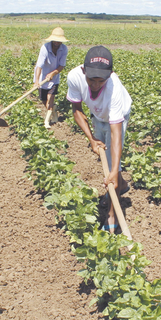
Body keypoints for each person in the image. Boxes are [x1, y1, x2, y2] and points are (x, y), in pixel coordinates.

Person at [66, 46, 132, 233]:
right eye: (91, 79)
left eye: (100, 81)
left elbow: (116, 134)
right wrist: (92, 139)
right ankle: (123, 185)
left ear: (110, 75)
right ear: (83, 71)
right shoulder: (74, 77)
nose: (95, 85)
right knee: (112, 168)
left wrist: (113, 170)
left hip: (117, 118)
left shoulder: (114, 89)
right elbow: (77, 110)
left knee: (113, 166)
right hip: (98, 116)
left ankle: (112, 216)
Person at [33, 27, 68, 128]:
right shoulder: (45, 48)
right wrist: (36, 81)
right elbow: (39, 66)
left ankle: (46, 122)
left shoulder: (64, 49)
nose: (57, 42)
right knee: (44, 100)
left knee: (50, 100)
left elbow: (61, 66)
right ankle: (54, 111)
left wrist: (53, 74)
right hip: (42, 78)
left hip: (54, 78)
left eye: (59, 41)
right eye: (55, 40)